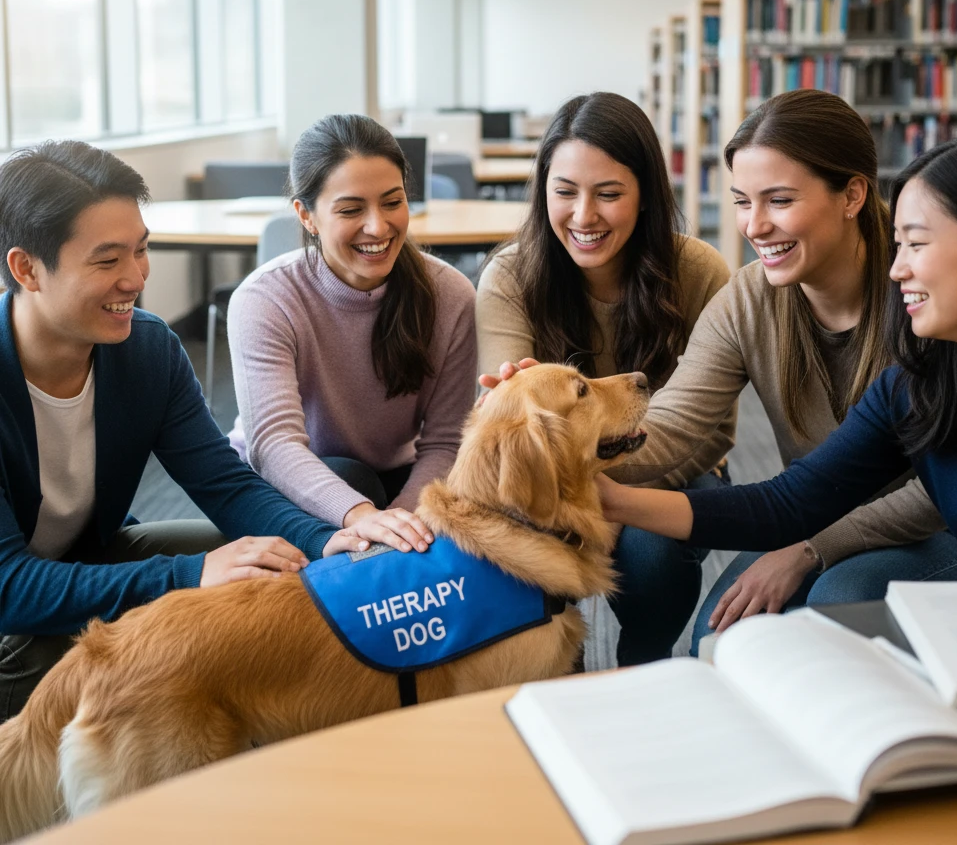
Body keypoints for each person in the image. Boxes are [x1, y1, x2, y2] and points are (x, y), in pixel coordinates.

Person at [491, 90, 957, 657]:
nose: (755, 225)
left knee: (837, 605)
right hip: (807, 512)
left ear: (852, 194)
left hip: (941, 528)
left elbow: (950, 486)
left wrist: (811, 549)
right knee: (717, 641)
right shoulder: (750, 299)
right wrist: (566, 448)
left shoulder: (928, 294)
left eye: (779, 200)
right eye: (743, 201)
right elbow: (673, 426)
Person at [0, 141, 355, 723]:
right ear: (26, 269)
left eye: (141, 251)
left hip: (83, 559)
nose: (135, 278)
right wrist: (187, 578)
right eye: (107, 260)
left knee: (258, 558)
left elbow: (224, 483)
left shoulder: (146, 348)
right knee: (51, 637)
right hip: (11, 613)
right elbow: (9, 587)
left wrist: (328, 540)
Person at [599, 134, 957, 585]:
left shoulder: (925, 353)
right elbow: (787, 504)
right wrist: (602, 491)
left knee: (838, 598)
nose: (898, 269)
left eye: (917, 245)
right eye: (898, 246)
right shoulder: (911, 387)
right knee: (725, 630)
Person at [476, 91, 734, 665]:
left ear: (645, 195)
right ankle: (552, 671)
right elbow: (505, 422)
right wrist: (578, 489)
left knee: (650, 550)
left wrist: (600, 496)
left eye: (609, 194)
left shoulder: (699, 272)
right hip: (549, 484)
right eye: (564, 192)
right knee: (514, 541)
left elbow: (709, 433)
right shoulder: (510, 277)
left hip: (669, 471)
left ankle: (644, 663)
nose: (584, 216)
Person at [227, 114, 477, 555]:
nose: (378, 227)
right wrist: (366, 519)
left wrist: (400, 525)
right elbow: (275, 445)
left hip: (393, 475)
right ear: (307, 216)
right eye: (350, 210)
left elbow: (445, 442)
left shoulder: (450, 295)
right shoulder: (266, 299)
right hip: (280, 478)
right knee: (348, 477)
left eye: (393, 202)